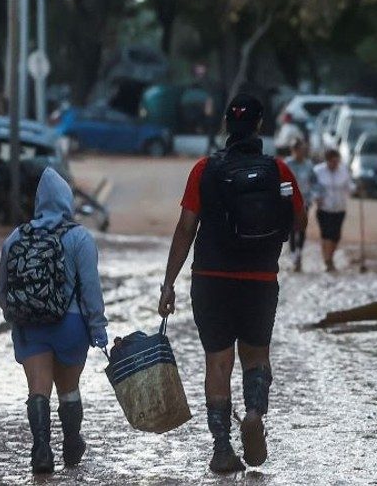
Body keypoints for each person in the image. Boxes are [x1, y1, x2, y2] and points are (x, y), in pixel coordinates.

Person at [157, 93, 307, 474]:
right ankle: (254, 412)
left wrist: (168, 283)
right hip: (259, 279)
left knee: (217, 363)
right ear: (259, 126)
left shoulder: (204, 169)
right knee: (255, 357)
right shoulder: (279, 171)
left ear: (226, 126)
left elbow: (186, 227)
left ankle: (222, 448)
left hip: (210, 280)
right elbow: (299, 221)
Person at [0, 168, 108, 474]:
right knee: (68, 388)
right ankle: (71, 442)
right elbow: (91, 290)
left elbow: (2, 288)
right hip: (71, 327)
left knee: (38, 389)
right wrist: (97, 328)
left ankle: (41, 450)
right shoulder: (79, 238)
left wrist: (15, 316)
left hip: (31, 327)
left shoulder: (17, 237)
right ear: (66, 201)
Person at [312, 148, 354, 273]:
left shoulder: (343, 171)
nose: (335, 164)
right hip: (324, 208)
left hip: (340, 208)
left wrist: (357, 188)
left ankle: (329, 258)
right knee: (326, 235)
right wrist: (316, 197)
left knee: (336, 236)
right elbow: (312, 187)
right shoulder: (318, 171)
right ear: (327, 161)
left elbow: (349, 186)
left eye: (337, 161)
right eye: (333, 161)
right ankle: (328, 261)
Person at [284, 138, 315, 272]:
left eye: (302, 150)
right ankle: (293, 255)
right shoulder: (287, 164)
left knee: (302, 228)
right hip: (289, 201)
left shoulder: (309, 165)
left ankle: (299, 253)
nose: (300, 152)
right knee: (291, 228)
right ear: (293, 150)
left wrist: (314, 197)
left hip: (304, 201)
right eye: (298, 150)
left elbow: (314, 182)